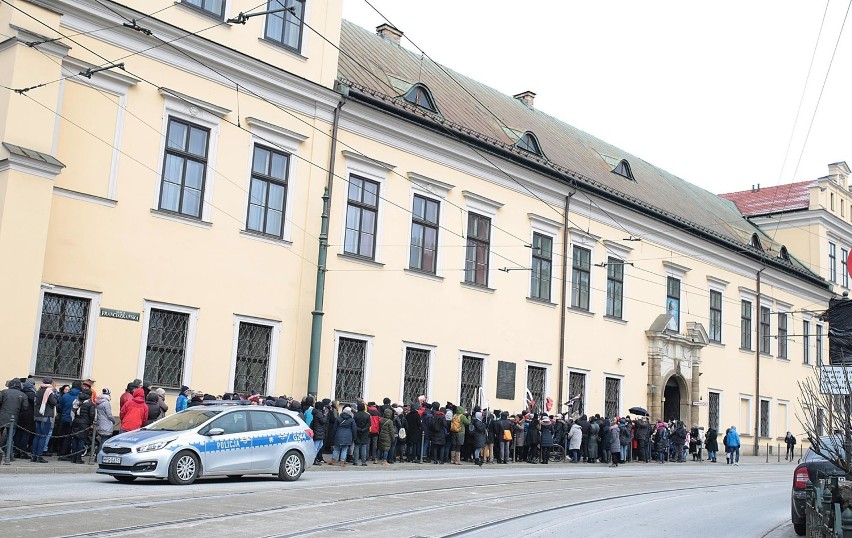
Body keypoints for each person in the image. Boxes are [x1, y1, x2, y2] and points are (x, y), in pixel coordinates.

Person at [0, 378, 29, 459]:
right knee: (10, 437)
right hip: (14, 416)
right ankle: (9, 455)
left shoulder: (4, 392)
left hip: (2, 416)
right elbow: (25, 407)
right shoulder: (23, 395)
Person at [31, 378, 58, 463]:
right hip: (46, 415)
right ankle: (39, 456)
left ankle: (33, 455)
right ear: (50, 383)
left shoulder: (39, 390)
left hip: (37, 414)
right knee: (43, 436)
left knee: (37, 436)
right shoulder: (49, 391)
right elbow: (54, 402)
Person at [94, 388, 115, 453]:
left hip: (99, 423)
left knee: (102, 440)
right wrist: (113, 420)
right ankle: (99, 455)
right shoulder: (106, 403)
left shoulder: (98, 402)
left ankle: (96, 455)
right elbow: (109, 415)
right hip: (106, 424)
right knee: (104, 441)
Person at [312, 401, 327, 465]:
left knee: (320, 445)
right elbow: (323, 421)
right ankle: (313, 459)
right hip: (318, 431)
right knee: (316, 446)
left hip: (318, 431)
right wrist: (325, 415)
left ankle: (314, 458)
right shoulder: (318, 413)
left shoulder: (317, 412)